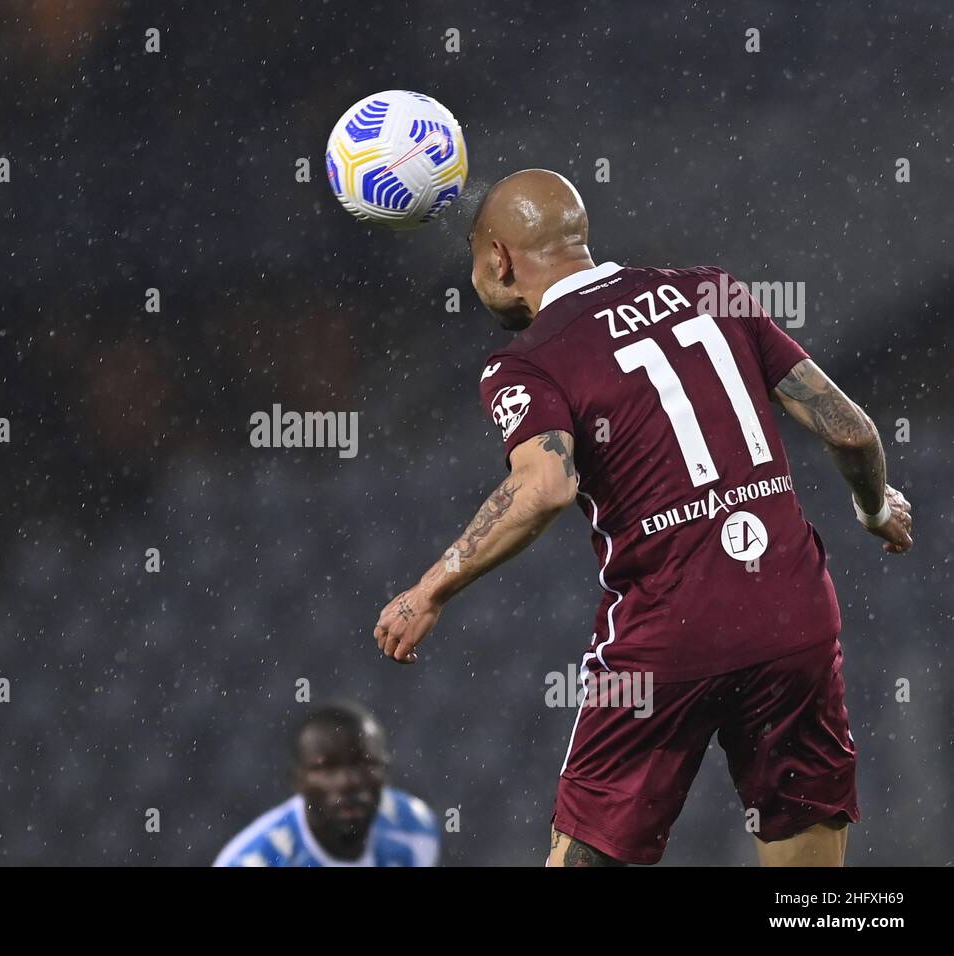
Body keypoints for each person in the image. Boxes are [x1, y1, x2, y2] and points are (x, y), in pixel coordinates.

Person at [371, 169, 913, 866]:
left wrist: (429, 589)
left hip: (668, 635)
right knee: (804, 859)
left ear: (499, 259)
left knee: (593, 851)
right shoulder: (711, 289)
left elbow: (543, 487)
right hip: (794, 615)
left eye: (474, 259)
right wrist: (873, 508)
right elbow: (851, 429)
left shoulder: (526, 362)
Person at [213, 702, 439, 866]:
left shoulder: (414, 828)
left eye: (365, 764)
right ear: (298, 780)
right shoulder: (253, 861)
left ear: (386, 771)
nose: (348, 783)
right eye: (328, 768)